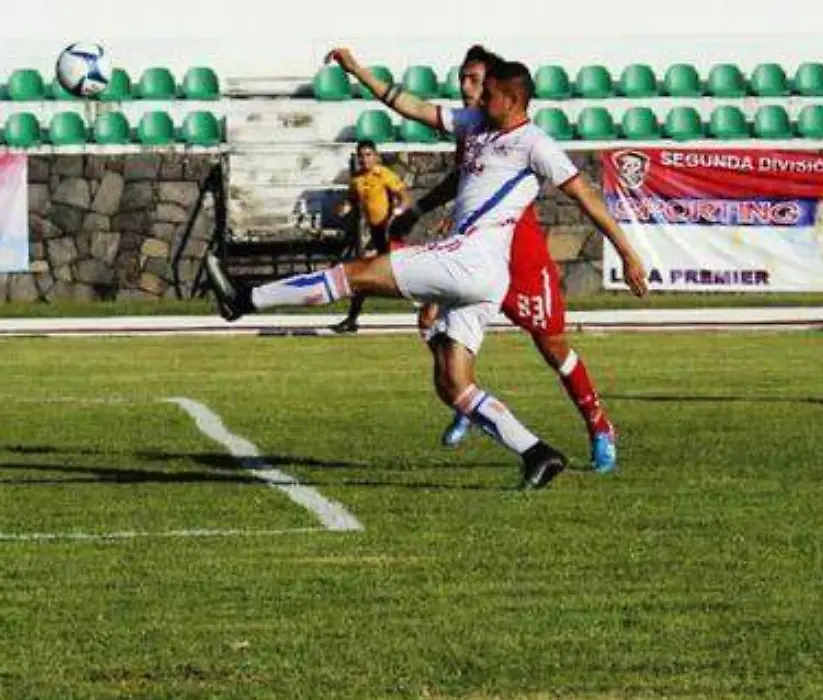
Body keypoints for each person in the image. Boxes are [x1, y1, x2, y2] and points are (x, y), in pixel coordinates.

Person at [204, 48, 649, 489]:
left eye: (488, 91)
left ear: (512, 100)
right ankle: (537, 452)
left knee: (355, 273)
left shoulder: (535, 144)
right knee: (453, 383)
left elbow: (586, 197)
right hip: (486, 275)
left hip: (470, 260)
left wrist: (628, 253)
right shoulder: (476, 125)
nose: (476, 98)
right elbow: (410, 106)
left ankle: (245, 297)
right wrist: (359, 70)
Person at [396, 45, 620, 473]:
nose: (466, 89)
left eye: (475, 81)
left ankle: (599, 424)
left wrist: (626, 252)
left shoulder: (524, 139)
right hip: (470, 257)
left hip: (519, 258)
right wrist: (422, 212)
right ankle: (468, 402)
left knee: (552, 345)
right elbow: (461, 183)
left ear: (501, 91)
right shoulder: (474, 130)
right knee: (430, 325)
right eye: (462, 79)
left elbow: (579, 192)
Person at [331, 139, 412, 334]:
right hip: (373, 233)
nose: (365, 159)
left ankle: (431, 308)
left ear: (376, 156)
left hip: (388, 231)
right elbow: (351, 199)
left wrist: (399, 211)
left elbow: (404, 196)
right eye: (361, 156)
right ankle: (352, 319)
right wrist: (345, 207)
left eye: (368, 155)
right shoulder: (357, 180)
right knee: (364, 277)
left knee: (403, 273)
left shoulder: (384, 174)